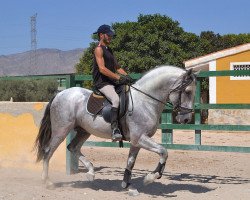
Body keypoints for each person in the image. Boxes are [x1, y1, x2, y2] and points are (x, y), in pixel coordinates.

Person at [92, 24, 132, 141]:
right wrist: (119, 78)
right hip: (102, 83)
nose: (110, 37)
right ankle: (115, 129)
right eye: (108, 35)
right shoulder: (98, 49)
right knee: (115, 99)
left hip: (112, 82)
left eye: (111, 35)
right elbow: (102, 69)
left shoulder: (109, 50)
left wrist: (127, 76)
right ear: (101, 35)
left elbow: (117, 67)